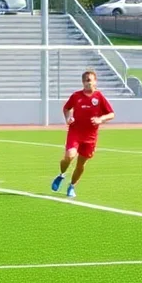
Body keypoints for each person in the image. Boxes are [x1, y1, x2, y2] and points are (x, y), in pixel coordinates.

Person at [51, 69, 115, 198]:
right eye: (85, 81)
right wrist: (68, 118)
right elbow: (67, 108)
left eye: (90, 80)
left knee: (81, 165)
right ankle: (61, 175)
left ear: (95, 82)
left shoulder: (99, 97)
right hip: (75, 132)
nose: (88, 83)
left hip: (90, 137)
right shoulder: (76, 96)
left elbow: (111, 114)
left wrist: (100, 119)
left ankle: (72, 186)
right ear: (82, 82)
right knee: (69, 156)